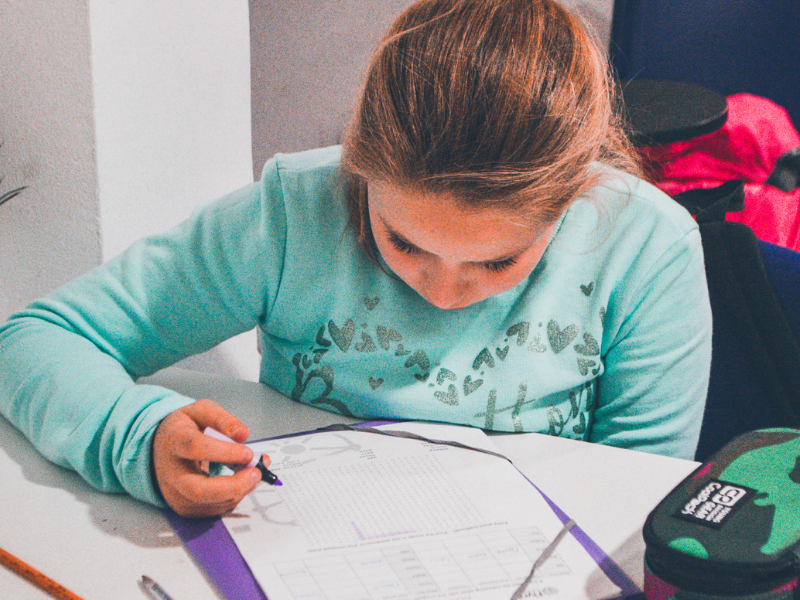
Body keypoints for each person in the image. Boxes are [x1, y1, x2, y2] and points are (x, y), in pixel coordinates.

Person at [0, 0, 711, 518]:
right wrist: (137, 437)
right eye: (404, 243)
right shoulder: (292, 213)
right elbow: (33, 340)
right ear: (358, 166)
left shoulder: (646, 250)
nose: (443, 292)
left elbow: (637, 501)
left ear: (576, 195)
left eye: (498, 263)